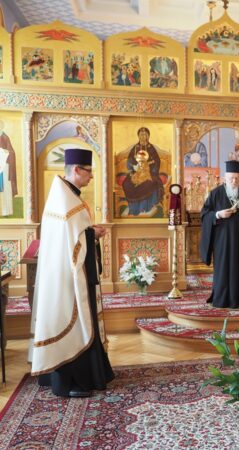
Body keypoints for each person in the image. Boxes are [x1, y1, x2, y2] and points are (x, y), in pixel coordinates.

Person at [30, 148, 114, 398]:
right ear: (76, 170)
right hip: (67, 277)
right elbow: (72, 239)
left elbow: (72, 236)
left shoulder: (66, 195)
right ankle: (70, 381)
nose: (91, 176)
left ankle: (92, 374)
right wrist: (92, 233)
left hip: (72, 271)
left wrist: (90, 232)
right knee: (72, 320)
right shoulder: (65, 199)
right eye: (88, 172)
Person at [200, 160, 239, 308]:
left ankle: (238, 299)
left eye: (237, 178)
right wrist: (218, 214)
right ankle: (221, 299)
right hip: (221, 241)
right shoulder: (216, 193)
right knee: (222, 269)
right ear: (225, 178)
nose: (234, 181)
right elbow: (205, 214)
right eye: (231, 178)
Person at [122, 127, 165, 216]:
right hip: (136, 172)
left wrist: (150, 170)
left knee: (148, 183)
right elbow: (129, 160)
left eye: (145, 135)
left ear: (148, 136)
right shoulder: (135, 148)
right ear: (138, 136)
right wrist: (133, 168)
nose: (143, 136)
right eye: (141, 135)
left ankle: (146, 207)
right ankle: (133, 208)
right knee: (127, 183)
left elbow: (157, 161)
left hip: (150, 172)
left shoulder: (151, 148)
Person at [0, 120, 18, 216]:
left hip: (4, 166)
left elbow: (11, 152)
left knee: (6, 187)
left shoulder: (5, 137)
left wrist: (4, 152)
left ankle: (6, 211)